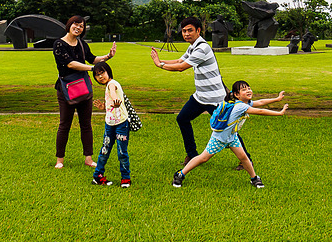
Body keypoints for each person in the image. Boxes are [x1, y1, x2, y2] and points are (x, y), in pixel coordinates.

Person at [150, 16, 251, 167]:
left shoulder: (202, 48)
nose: (186, 34)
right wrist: (160, 61)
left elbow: (181, 67)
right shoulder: (192, 47)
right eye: (184, 31)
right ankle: (192, 155)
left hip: (215, 99)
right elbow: (179, 61)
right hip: (200, 97)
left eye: (190, 30)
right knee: (182, 119)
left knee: (227, 130)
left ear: (198, 31)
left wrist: (159, 65)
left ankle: (246, 159)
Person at [172, 80, 287, 188]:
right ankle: (180, 174)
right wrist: (279, 113)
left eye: (249, 88)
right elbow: (260, 111)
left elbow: (260, 102)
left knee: (243, 157)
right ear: (237, 95)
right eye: (244, 90)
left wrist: (277, 99)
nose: (248, 91)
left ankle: (254, 178)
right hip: (219, 138)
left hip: (232, 137)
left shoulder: (243, 103)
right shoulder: (240, 106)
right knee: (203, 158)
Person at [53, 15, 117, 169]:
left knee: (86, 124)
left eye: (81, 26)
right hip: (66, 89)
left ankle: (88, 158)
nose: (78, 27)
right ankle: (60, 160)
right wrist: (92, 69)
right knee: (64, 125)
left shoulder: (82, 44)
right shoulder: (59, 44)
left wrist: (107, 57)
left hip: (83, 87)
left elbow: (92, 59)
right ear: (69, 25)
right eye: (75, 24)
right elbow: (70, 64)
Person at [90, 61, 131, 188]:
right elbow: (111, 105)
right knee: (104, 150)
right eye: (97, 75)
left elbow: (113, 93)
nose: (100, 76)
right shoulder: (108, 84)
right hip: (109, 124)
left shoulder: (112, 84)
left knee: (121, 152)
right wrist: (104, 106)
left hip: (121, 124)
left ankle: (125, 178)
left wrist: (115, 100)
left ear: (108, 71)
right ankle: (98, 176)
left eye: (102, 72)